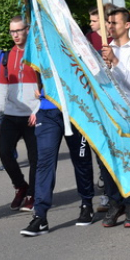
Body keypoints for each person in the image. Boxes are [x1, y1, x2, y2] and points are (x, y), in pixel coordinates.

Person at [20, 89, 96, 236]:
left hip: (75, 109)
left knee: (81, 159)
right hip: (48, 111)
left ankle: (87, 203)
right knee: (44, 163)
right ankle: (40, 216)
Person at [100, 7, 130, 228]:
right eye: (108, 23)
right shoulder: (103, 49)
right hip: (110, 113)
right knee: (109, 159)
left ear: (127, 25)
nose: (110, 27)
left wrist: (115, 62)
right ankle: (114, 202)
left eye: (114, 23)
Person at [0, 16, 40, 212]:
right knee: (4, 153)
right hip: (11, 115)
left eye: (18, 31)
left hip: (32, 115)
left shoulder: (37, 54)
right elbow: (2, 89)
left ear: (27, 30)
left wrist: (39, 110)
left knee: (35, 159)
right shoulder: (6, 56)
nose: (15, 35)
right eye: (12, 31)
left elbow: (47, 85)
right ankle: (20, 186)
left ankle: (33, 194)